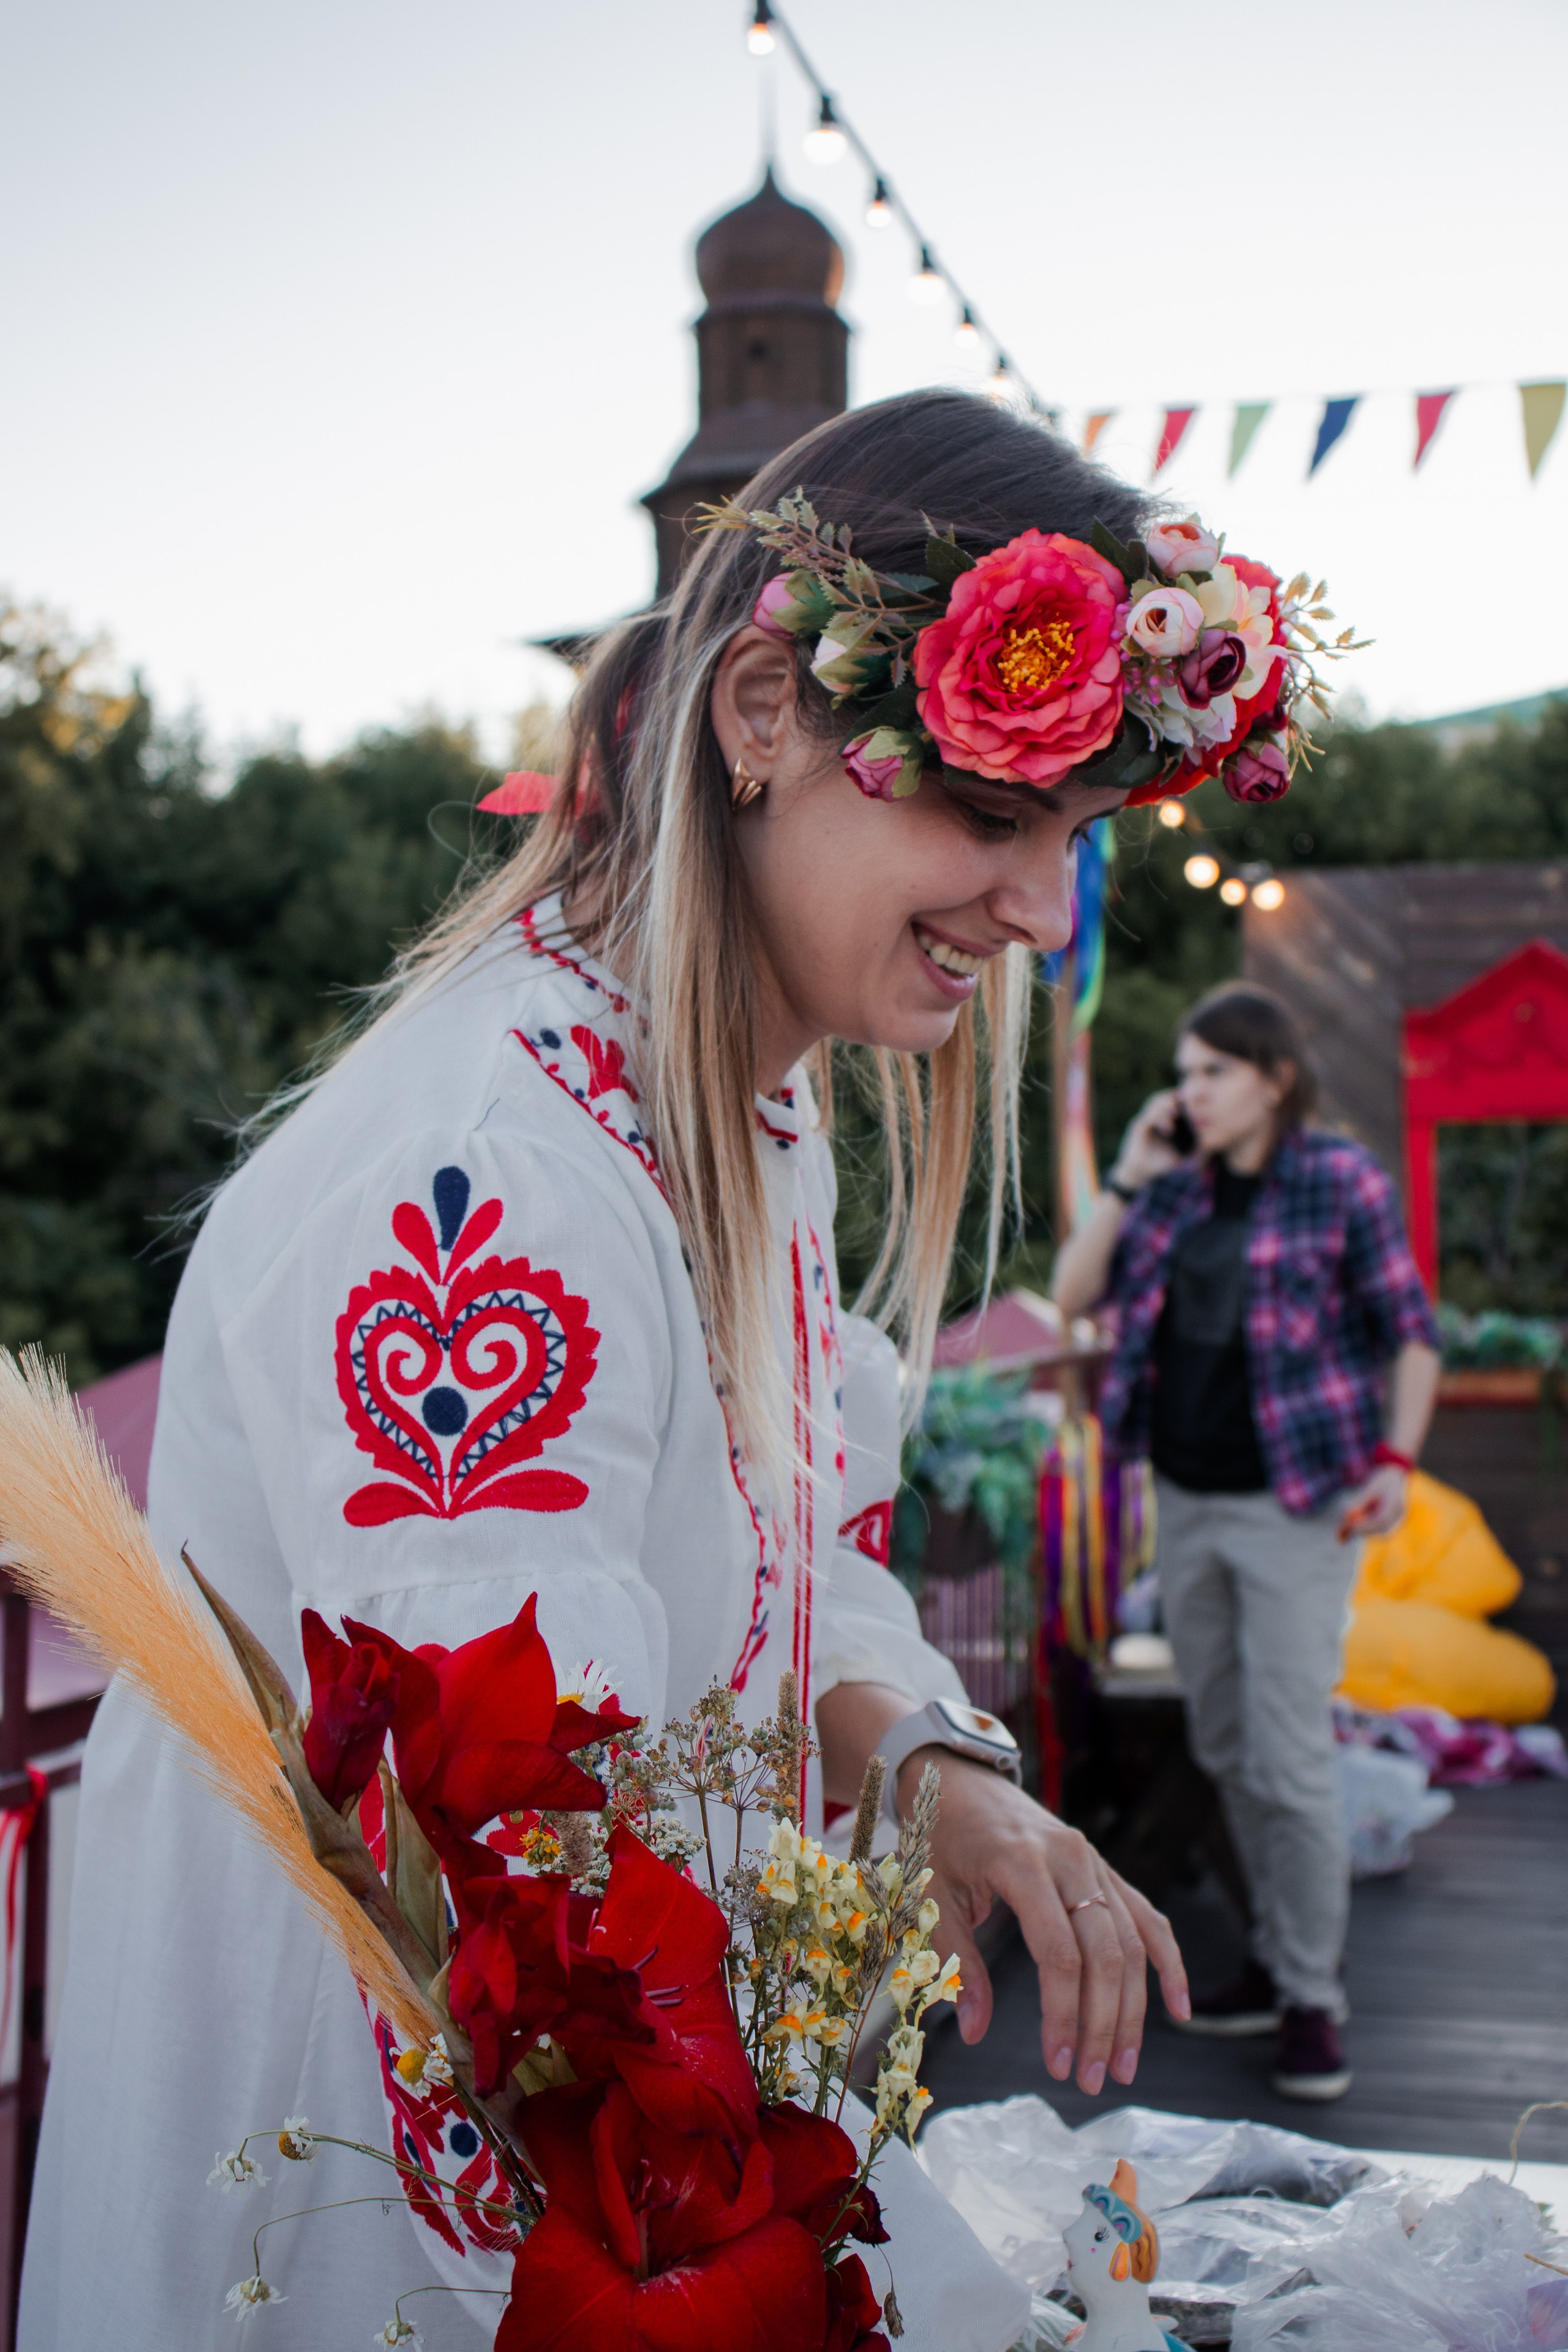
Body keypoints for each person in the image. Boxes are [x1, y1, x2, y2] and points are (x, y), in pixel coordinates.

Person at [23, 382, 1342, 2351]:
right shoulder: (493, 1170)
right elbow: (520, 1843)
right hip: (408, 2140)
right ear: (759, 720)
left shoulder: (744, 1107)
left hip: (623, 2101)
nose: (1040, 908)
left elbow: (787, 1546)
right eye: (993, 814)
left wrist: (924, 1760)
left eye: (1073, 837)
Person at [1054, 982, 1441, 2101]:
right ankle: (1276, 1962)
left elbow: (1408, 1336)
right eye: (1185, 1072)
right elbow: (1078, 1295)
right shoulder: (1171, 1196)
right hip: (1188, 1502)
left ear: (1271, 1077)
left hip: (1297, 1507)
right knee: (1225, 1743)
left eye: (1213, 1071)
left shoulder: (1339, 1181)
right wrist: (1129, 1168)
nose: (1193, 1091)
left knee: (1285, 1755)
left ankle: (1314, 1996)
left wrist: (1397, 1462)